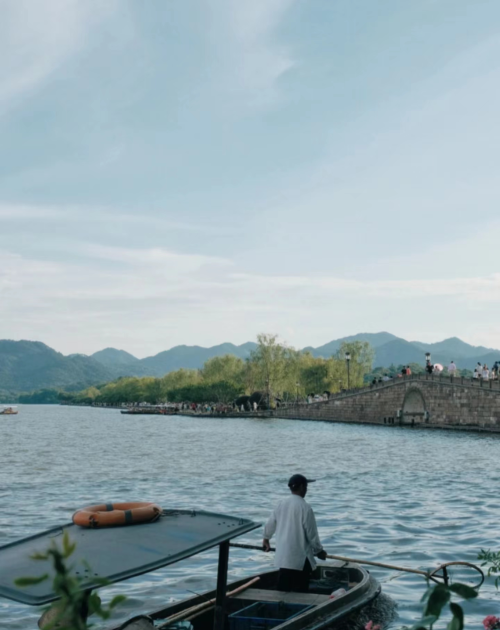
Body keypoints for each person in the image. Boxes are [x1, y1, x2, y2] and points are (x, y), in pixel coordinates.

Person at [263, 474, 326, 593]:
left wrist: (266, 539)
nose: (307, 489)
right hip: (300, 560)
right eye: (306, 486)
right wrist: (319, 551)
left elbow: (270, 524)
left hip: (284, 558)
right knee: (300, 592)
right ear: (302, 487)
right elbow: (312, 535)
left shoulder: (281, 504)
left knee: (282, 590)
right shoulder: (305, 508)